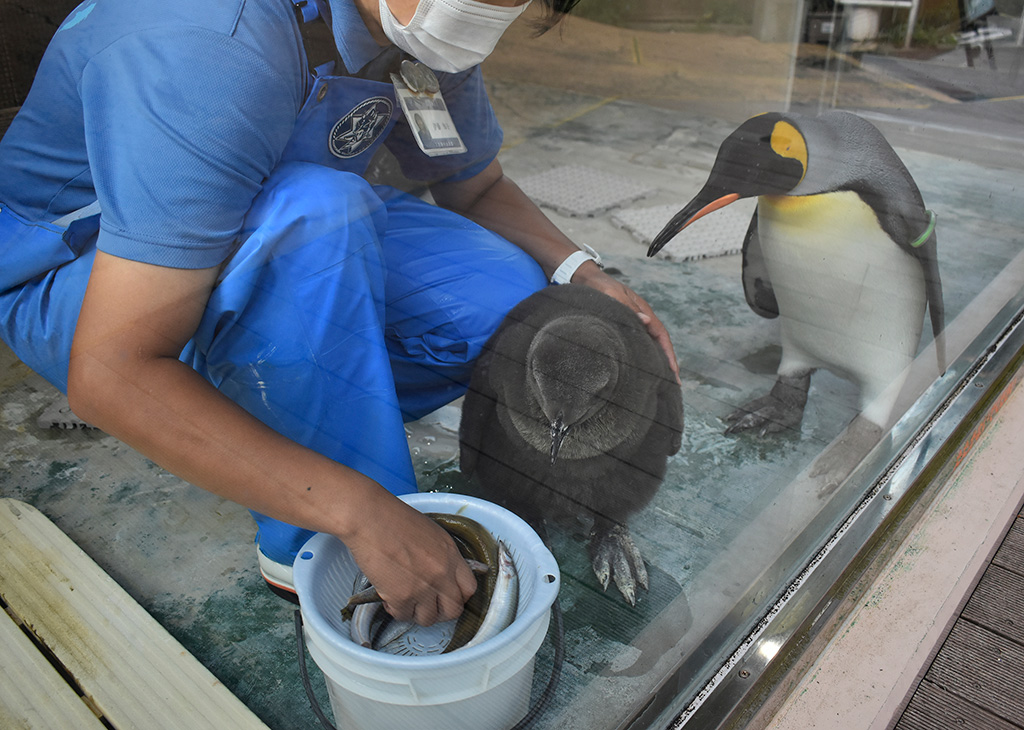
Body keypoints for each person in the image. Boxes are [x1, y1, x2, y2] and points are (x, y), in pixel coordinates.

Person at [0, 0, 678, 626]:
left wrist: (580, 271)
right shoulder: (205, 40)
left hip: (278, 219)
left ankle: (296, 397)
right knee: (315, 218)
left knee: (509, 299)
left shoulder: (414, 31)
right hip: (89, 277)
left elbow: (477, 184)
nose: (484, 9)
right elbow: (113, 366)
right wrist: (357, 510)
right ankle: (312, 545)